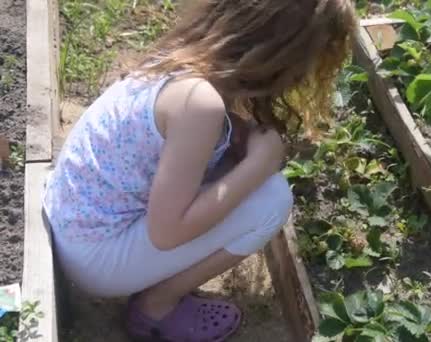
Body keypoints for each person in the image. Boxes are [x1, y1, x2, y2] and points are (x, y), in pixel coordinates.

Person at [42, 0, 356, 340]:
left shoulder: (184, 60)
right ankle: (156, 307)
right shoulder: (200, 105)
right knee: (272, 200)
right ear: (282, 56)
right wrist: (256, 166)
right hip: (95, 258)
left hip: (72, 219)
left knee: (238, 176)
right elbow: (167, 232)